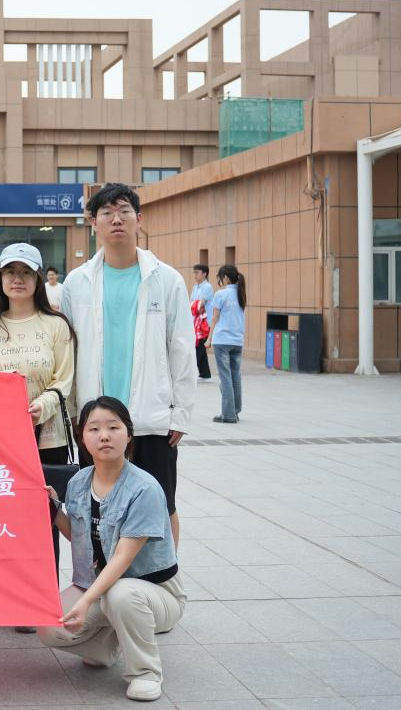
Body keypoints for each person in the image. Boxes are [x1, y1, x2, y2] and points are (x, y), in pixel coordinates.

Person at [60, 182, 194, 546]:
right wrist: (73, 413)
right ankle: (104, 574)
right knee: (99, 506)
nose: (116, 219)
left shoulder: (165, 279)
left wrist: (180, 414)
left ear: (139, 219)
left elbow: (182, 348)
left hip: (151, 418)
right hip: (96, 419)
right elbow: (69, 350)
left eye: (124, 212)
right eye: (107, 213)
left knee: (161, 503)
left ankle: (164, 573)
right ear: (93, 223)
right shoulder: (77, 283)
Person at [38, 396, 185, 703]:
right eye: (94, 429)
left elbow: (122, 558)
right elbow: (77, 535)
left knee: (122, 595)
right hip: (102, 587)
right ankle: (105, 648)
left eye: (113, 427)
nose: (104, 436)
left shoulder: (144, 489)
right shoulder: (79, 482)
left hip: (154, 591)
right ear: (83, 438)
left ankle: (145, 672)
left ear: (129, 434)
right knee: (48, 627)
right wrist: (52, 508)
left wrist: (85, 601)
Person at [0, 242, 75, 461]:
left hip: (49, 439)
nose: (17, 279)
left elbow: (64, 380)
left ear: (37, 279)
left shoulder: (57, 325)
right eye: (10, 272)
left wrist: (42, 406)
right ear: (0, 279)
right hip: (0, 437)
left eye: (26, 272)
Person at [207, 265, 246, 424]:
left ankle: (228, 415)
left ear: (226, 277)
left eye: (220, 278)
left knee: (225, 378)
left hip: (222, 340)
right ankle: (235, 411)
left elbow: (215, 318)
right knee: (235, 376)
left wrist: (209, 338)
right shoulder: (241, 293)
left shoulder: (220, 294)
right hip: (237, 341)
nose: (220, 281)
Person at [190, 265, 213, 382]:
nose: (195, 275)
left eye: (197, 273)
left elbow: (199, 305)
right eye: (194, 273)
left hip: (204, 324)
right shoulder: (195, 287)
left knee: (198, 348)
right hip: (196, 323)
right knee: (200, 348)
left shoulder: (207, 287)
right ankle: (205, 374)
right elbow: (191, 303)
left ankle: (191, 372)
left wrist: (194, 305)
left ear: (204, 274)